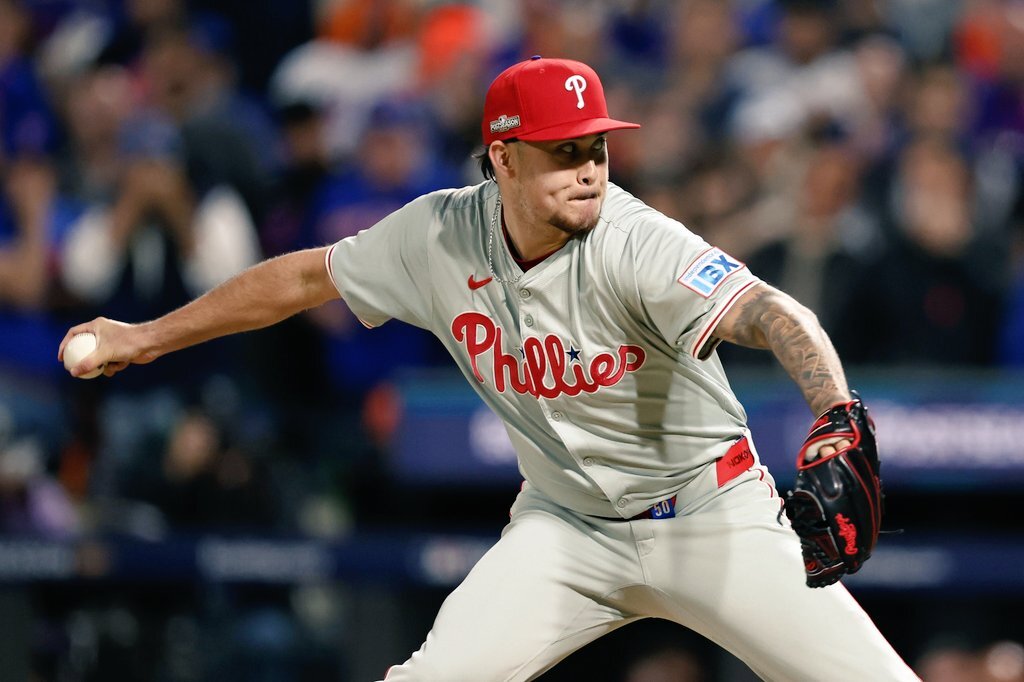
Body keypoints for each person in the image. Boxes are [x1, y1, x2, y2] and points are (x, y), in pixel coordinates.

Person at [60, 57, 918, 681]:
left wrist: (836, 410)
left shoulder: (634, 241)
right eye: (562, 151)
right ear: (502, 158)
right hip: (567, 531)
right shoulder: (437, 236)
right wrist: (147, 336)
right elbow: (301, 280)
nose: (589, 170)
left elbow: (772, 312)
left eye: (596, 147)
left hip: (711, 513)